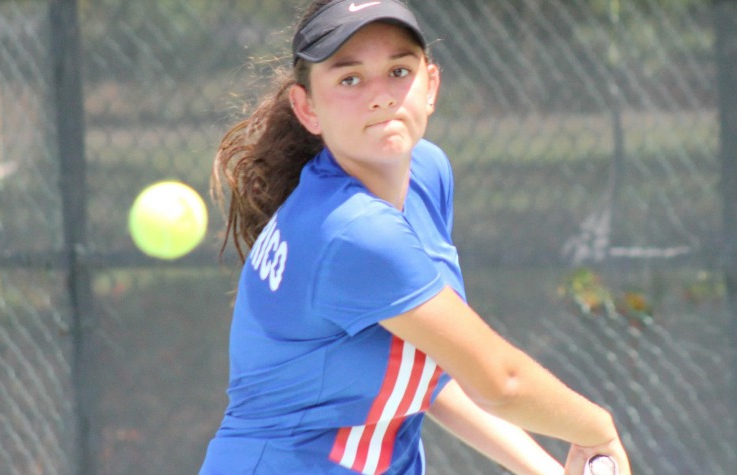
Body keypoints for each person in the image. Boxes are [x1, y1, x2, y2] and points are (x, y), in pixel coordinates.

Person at [199, 1, 631, 474]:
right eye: (349, 79)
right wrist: (597, 429)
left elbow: (432, 370)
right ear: (307, 108)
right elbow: (501, 383)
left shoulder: (425, 172)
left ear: (431, 85)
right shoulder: (353, 232)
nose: (381, 96)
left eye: (399, 70)